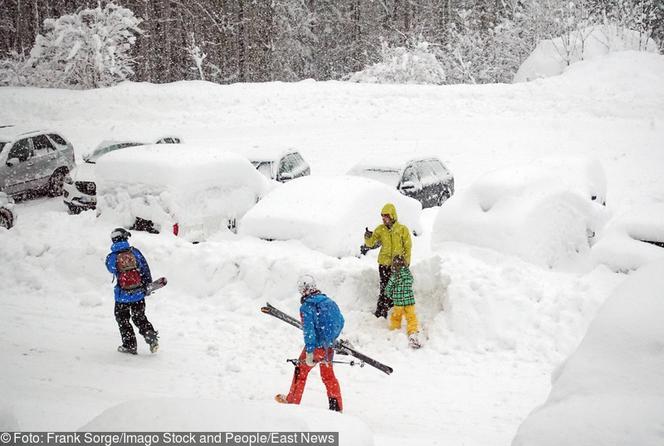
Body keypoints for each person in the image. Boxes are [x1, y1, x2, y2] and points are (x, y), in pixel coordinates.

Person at [275, 274, 345, 412]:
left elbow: (309, 331)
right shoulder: (329, 302)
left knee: (300, 371)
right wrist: (330, 339)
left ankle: (292, 402)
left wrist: (310, 352)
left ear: (302, 290)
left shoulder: (307, 307)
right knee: (328, 376)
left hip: (316, 348)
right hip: (329, 347)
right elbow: (341, 321)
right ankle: (337, 407)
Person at [105, 228, 159, 355]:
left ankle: (130, 345)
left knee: (122, 319)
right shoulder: (135, 252)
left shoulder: (112, 257)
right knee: (139, 317)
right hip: (138, 294)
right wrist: (147, 286)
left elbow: (111, 269)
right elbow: (145, 269)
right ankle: (150, 336)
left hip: (122, 296)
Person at [363, 203, 412, 318]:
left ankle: (391, 311)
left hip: (397, 264)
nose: (384, 219)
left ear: (392, 216)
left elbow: (407, 246)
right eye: (383, 217)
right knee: (384, 287)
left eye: (386, 216)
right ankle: (381, 312)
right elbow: (370, 243)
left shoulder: (402, 229)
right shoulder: (380, 229)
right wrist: (367, 237)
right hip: (384, 264)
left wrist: (406, 262)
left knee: (395, 288)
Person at [385, 255, 421, 349]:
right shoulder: (408, 273)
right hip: (409, 301)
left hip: (398, 302)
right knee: (411, 317)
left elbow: (389, 287)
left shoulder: (395, 275)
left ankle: (395, 331)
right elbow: (411, 281)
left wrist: (389, 294)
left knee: (396, 317)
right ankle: (412, 332)